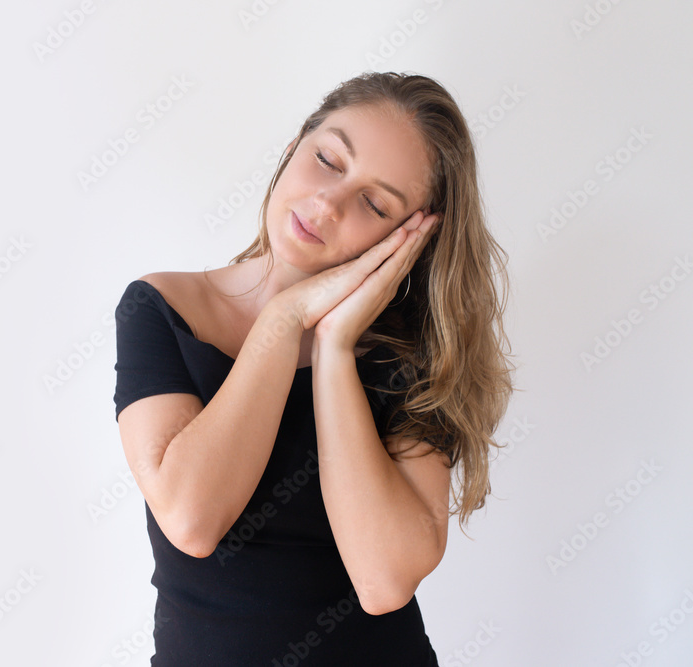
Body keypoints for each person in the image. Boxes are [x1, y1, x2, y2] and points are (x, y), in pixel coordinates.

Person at [112, 71, 514, 665]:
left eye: (374, 203)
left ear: (406, 240)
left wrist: (333, 350)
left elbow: (384, 583)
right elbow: (193, 519)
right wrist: (284, 317)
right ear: (293, 146)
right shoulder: (161, 309)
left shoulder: (411, 360)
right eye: (327, 159)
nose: (327, 203)